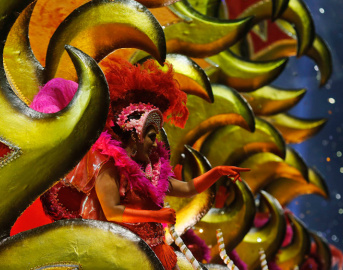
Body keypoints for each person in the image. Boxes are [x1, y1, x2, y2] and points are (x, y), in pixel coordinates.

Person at [34, 58, 248, 269]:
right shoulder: (108, 167)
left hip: (154, 252)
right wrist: (156, 215)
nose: (155, 145)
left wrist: (217, 172)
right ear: (135, 134)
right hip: (120, 253)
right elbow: (113, 211)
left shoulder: (151, 171)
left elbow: (188, 188)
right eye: (152, 136)